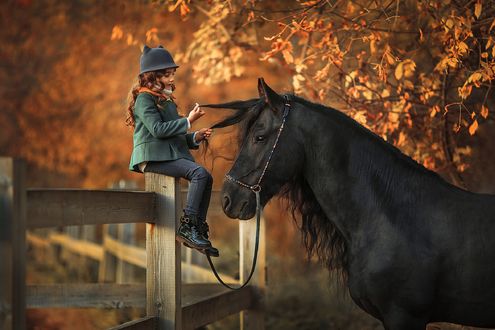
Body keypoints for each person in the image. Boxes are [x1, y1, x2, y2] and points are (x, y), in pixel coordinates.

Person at [127, 45, 218, 257]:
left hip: (164, 153)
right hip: (151, 158)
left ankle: (196, 228)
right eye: (166, 75)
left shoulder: (165, 100)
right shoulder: (144, 99)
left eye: (172, 74)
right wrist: (188, 121)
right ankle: (187, 227)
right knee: (199, 173)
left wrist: (194, 136)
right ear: (151, 77)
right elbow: (158, 131)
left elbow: (171, 135)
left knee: (207, 177)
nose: (171, 79)